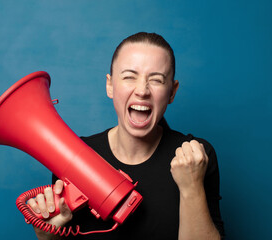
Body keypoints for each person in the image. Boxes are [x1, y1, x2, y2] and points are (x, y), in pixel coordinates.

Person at [27, 32, 225, 240]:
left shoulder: (196, 158)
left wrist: (191, 187)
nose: (142, 90)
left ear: (172, 92)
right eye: (129, 77)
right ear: (110, 85)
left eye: (156, 80)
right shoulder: (72, 156)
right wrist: (49, 236)